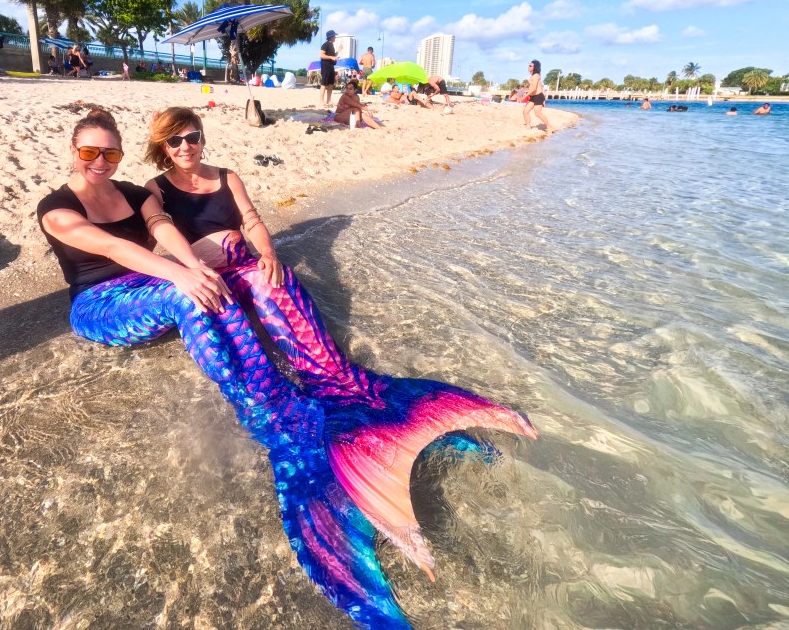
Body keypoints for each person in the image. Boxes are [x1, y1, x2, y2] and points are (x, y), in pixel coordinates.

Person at [141, 106, 537, 627]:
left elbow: (254, 220)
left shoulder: (226, 176)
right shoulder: (154, 188)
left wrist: (267, 254)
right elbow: (155, 234)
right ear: (163, 147)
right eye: (177, 141)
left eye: (193, 137)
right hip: (204, 276)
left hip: (243, 268)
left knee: (307, 334)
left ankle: (375, 410)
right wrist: (198, 258)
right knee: (259, 379)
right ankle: (325, 460)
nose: (187, 147)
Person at [523, 59, 554, 130]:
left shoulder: (536, 76)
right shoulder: (532, 76)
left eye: (530, 66)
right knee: (525, 111)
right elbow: (538, 87)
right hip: (533, 97)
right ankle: (528, 126)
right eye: (529, 65)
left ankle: (549, 126)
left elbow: (534, 88)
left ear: (535, 67)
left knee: (537, 113)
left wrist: (525, 96)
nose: (529, 66)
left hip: (538, 96)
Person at [318, 31, 338, 108]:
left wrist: (338, 51)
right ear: (331, 36)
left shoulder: (331, 45)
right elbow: (321, 55)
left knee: (330, 84)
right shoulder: (325, 44)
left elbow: (333, 56)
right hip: (326, 66)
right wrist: (331, 57)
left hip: (331, 66)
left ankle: (328, 100)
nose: (335, 37)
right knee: (324, 83)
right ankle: (321, 101)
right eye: (334, 36)